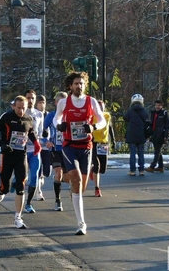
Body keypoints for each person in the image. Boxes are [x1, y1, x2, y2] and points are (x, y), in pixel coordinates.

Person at [53, 72, 106, 235]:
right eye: (76, 83)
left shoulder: (91, 102)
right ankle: (81, 223)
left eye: (81, 83)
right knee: (75, 178)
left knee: (81, 187)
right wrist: (59, 125)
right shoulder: (64, 102)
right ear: (70, 86)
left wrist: (94, 127)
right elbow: (56, 118)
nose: (79, 86)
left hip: (86, 146)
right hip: (69, 145)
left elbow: (102, 120)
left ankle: (72, 188)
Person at [0, 95, 42, 229]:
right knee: (6, 186)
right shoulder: (6, 117)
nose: (20, 111)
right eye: (18, 108)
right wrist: (2, 144)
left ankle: (18, 217)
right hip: (7, 155)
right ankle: (1, 190)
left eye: (23, 108)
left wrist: (36, 143)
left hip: (21, 155)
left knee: (21, 185)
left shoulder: (28, 119)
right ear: (14, 106)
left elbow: (30, 132)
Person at [44, 91, 68, 211]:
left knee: (68, 177)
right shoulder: (51, 116)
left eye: (65, 101)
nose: (63, 104)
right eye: (60, 102)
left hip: (68, 149)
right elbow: (42, 131)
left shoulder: (70, 115)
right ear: (56, 103)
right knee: (58, 173)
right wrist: (46, 141)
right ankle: (58, 201)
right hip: (55, 149)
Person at [23, 89, 44, 213]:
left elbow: (40, 132)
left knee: (35, 176)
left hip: (35, 150)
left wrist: (42, 137)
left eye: (32, 98)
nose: (30, 100)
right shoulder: (21, 112)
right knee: (22, 177)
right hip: (22, 150)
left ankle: (29, 203)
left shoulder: (39, 114)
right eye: (28, 98)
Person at [89, 100, 114, 197]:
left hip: (103, 143)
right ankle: (97, 188)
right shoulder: (91, 116)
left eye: (102, 107)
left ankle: (92, 170)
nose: (100, 108)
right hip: (94, 142)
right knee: (97, 165)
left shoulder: (107, 116)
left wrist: (113, 140)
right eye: (98, 107)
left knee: (102, 169)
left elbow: (109, 128)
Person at [123, 94, 148, 176]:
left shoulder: (130, 110)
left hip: (132, 134)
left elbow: (125, 118)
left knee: (132, 153)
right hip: (141, 134)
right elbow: (147, 120)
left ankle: (132, 170)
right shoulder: (144, 111)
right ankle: (141, 170)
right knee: (141, 153)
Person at [145, 100, 169, 173]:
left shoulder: (165, 114)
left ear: (161, 106)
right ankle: (160, 167)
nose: (157, 106)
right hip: (154, 134)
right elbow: (152, 123)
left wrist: (166, 135)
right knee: (158, 151)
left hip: (161, 135)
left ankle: (152, 166)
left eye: (159, 105)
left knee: (157, 151)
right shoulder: (153, 113)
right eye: (156, 105)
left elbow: (167, 126)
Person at [35, 94, 50, 201]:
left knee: (46, 172)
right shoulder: (35, 115)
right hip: (38, 146)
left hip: (48, 147)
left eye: (43, 102)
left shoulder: (49, 115)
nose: (42, 105)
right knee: (38, 170)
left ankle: (40, 180)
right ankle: (38, 191)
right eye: (40, 102)